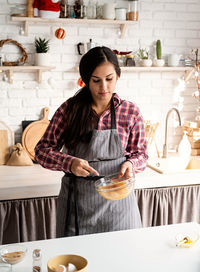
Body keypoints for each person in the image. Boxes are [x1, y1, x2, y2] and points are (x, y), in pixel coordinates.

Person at [35, 46, 148, 238]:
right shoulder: (69, 110)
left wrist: (131, 164)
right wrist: (69, 163)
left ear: (118, 77)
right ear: (86, 80)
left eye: (109, 79)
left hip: (120, 211)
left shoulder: (130, 112)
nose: (103, 87)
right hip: (78, 210)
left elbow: (141, 155)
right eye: (96, 81)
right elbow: (41, 151)